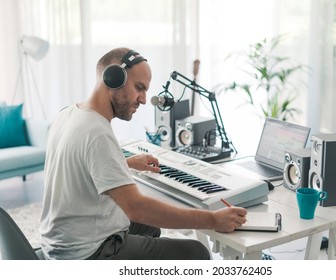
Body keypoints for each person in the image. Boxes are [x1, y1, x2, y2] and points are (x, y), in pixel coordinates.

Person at [39, 47, 247, 260]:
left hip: (59, 242)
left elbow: (76, 164)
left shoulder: (68, 113)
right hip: (87, 254)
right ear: (113, 78)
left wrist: (124, 162)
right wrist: (213, 219)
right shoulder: (97, 131)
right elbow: (136, 207)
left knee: (150, 228)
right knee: (197, 252)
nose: (144, 100)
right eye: (139, 88)